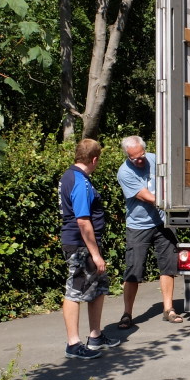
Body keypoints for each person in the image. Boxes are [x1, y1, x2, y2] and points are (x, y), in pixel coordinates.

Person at [59, 138, 120, 360]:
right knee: (74, 291)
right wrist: (95, 254)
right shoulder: (79, 181)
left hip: (86, 245)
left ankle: (95, 336)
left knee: (99, 287)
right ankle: (73, 344)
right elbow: (83, 221)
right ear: (94, 159)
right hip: (80, 245)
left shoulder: (72, 176)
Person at [116, 135, 184, 327]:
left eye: (142, 156)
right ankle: (127, 314)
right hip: (138, 226)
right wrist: (171, 202)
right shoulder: (124, 172)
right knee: (134, 270)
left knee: (168, 266)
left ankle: (169, 309)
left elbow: (171, 178)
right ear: (127, 156)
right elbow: (146, 196)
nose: (139, 160)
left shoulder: (155, 160)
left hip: (162, 223)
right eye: (134, 158)